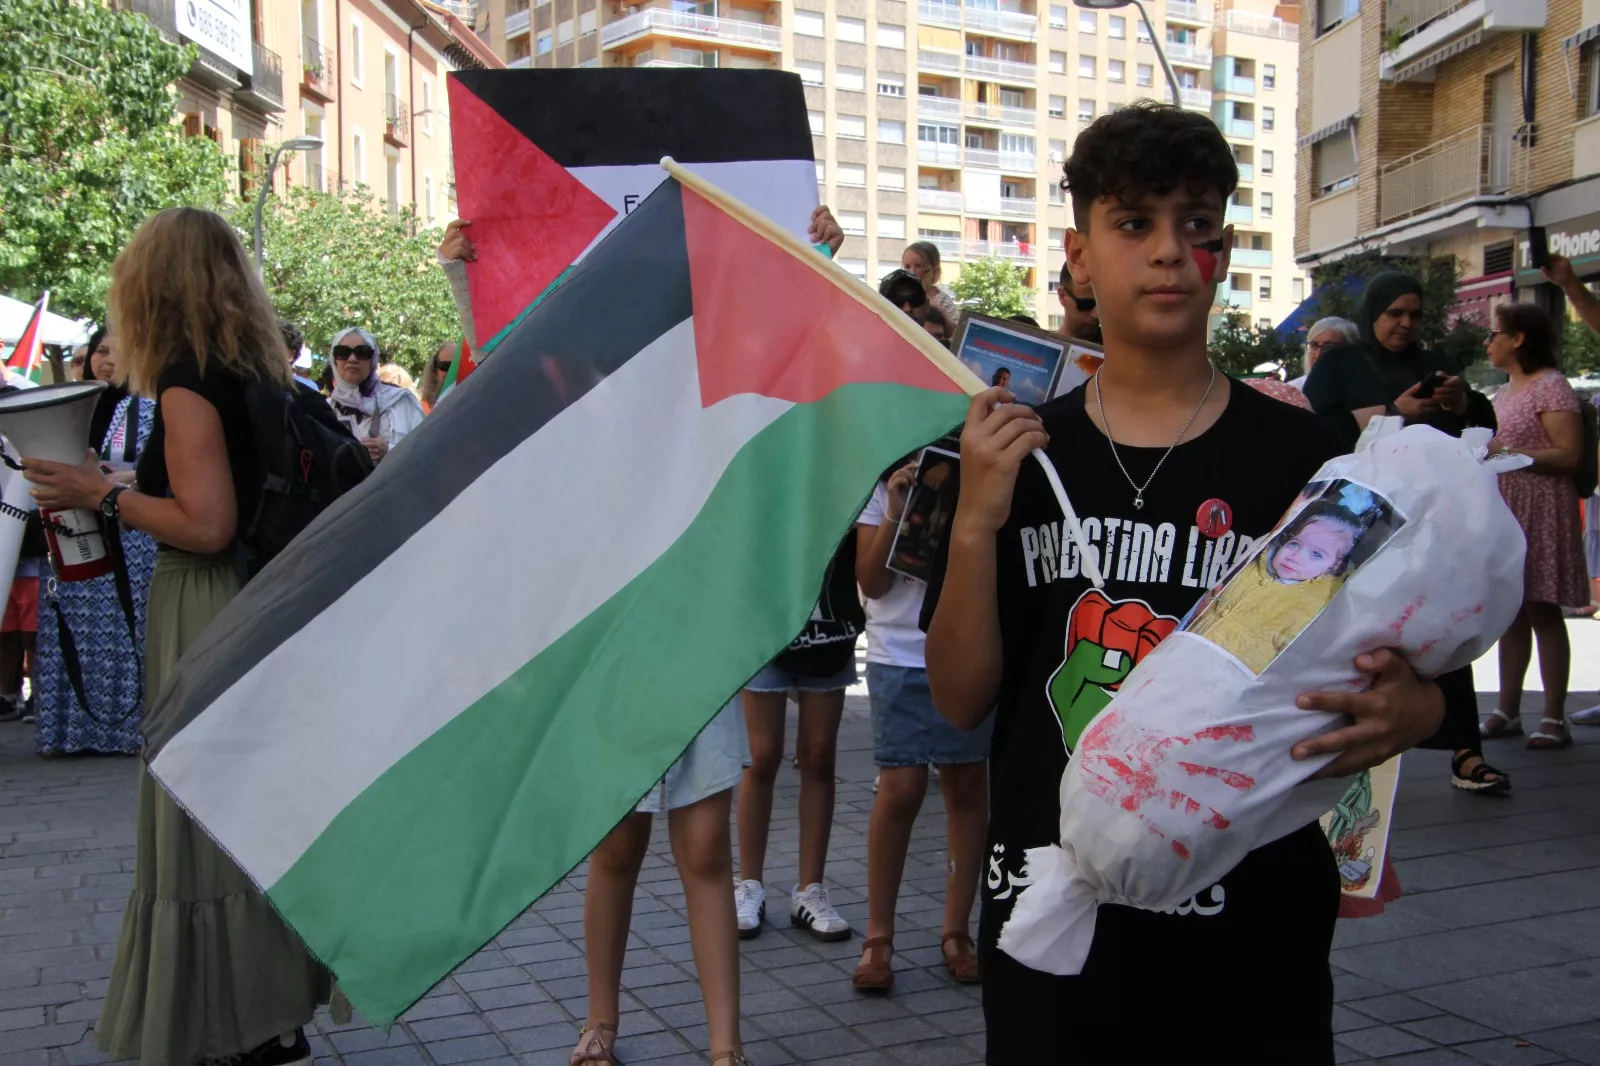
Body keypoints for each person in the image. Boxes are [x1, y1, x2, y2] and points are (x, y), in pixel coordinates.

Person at [923, 102, 1447, 1061]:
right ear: (1079, 256)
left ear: (1226, 249)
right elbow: (960, 701)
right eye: (1134, 223)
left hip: (1251, 923)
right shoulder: (1019, 456)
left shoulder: (1307, 458)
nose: (1169, 251)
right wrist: (976, 520)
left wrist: (1420, 706)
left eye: (1195, 225)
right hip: (1052, 914)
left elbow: (1392, 656)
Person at [22, 207, 330, 1066]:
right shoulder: (252, 371)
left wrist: (101, 491)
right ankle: (266, 1010)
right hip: (250, 601)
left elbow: (204, 523)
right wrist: (122, 478)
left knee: (197, 822)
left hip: (203, 602)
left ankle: (229, 1021)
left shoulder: (190, 382)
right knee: (240, 813)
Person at [1303, 273, 1508, 795]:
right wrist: (1395, 414)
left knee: (1441, 629)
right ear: (1373, 313)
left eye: (1414, 314)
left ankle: (1466, 750)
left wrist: (1462, 405)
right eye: (1395, 312)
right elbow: (1316, 431)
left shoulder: (1428, 365)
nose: (1405, 323)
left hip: (1427, 523)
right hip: (1356, 521)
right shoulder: (1341, 364)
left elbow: (1482, 430)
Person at [852, 459, 990, 992]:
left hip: (964, 642)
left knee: (966, 782)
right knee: (900, 789)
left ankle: (957, 931)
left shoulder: (981, 470)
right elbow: (871, 581)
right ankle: (878, 937)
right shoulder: (884, 481)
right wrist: (896, 506)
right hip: (897, 651)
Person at [568, 701, 753, 1066]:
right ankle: (599, 1021)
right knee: (615, 846)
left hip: (701, 665)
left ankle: (727, 1047)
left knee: (707, 849)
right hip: (621, 673)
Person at [32, 328, 158, 757]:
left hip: (129, 539)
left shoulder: (152, 407)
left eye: (118, 352)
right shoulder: (67, 409)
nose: (107, 360)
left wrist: (126, 479)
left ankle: (123, 732)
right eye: (101, 351)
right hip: (71, 534)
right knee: (74, 630)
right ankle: (70, 733)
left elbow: (161, 470)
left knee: (125, 635)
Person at [735, 531, 861, 942]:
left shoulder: (844, 469)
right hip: (764, 623)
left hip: (830, 627)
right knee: (762, 754)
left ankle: (810, 890)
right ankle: (749, 884)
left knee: (819, 754)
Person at [1478, 303, 1585, 750]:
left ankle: (1554, 715)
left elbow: (1569, 453)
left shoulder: (1551, 386)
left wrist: (1507, 453)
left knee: (1543, 609)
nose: (1488, 342)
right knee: (1511, 611)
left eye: (1494, 333)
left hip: (1541, 508)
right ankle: (1507, 708)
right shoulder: (1503, 392)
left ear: (1518, 338)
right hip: (1508, 506)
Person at [326, 327, 425, 462]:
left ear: (372, 360)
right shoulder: (325, 409)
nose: (352, 359)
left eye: (362, 352)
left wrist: (388, 450)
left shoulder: (400, 401)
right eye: (342, 352)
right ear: (334, 360)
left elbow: (425, 452)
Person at [1290, 317, 1359, 391]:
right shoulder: (1293, 392)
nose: (1318, 354)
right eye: (1314, 345)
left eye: (1328, 347)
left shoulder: (1366, 389)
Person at [902, 241, 961, 325]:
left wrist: (939, 313)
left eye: (919, 266)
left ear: (934, 273)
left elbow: (956, 332)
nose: (912, 272)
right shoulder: (901, 298)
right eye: (907, 267)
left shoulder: (943, 302)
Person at [1056, 263, 1102, 344]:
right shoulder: (1043, 350)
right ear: (1062, 295)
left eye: (1102, 305)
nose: (1096, 315)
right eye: (1086, 304)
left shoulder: (1120, 349)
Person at [420, 341, 458, 413]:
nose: (452, 371)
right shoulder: (422, 412)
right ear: (434, 372)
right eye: (445, 365)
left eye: (457, 365)